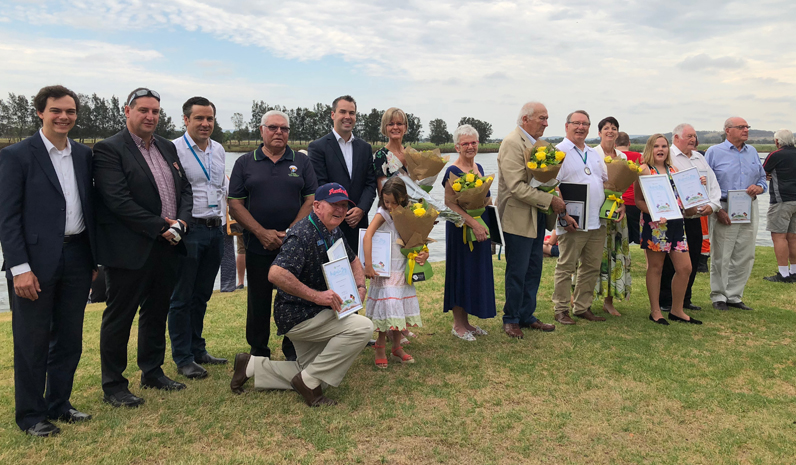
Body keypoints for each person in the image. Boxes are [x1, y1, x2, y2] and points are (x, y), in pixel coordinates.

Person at [0, 85, 96, 436]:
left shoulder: (85, 155)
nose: (64, 117)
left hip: (77, 255)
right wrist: (19, 269)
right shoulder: (17, 155)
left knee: (69, 338)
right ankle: (30, 415)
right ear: (40, 113)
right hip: (34, 263)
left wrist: (94, 261)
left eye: (70, 111)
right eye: (56, 110)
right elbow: (7, 218)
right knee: (32, 340)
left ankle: (60, 403)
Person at [230, 183, 373, 406]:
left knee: (314, 373)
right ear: (316, 206)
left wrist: (360, 287)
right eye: (334, 204)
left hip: (318, 312)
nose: (340, 210)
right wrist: (318, 296)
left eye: (344, 205)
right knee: (362, 327)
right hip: (298, 315)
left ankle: (251, 366)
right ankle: (307, 383)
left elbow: (354, 259)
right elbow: (276, 274)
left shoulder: (334, 229)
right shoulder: (302, 234)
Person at [94, 87, 193, 407]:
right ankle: (114, 385)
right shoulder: (109, 149)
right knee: (119, 317)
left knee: (156, 311)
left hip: (168, 246)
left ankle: (152, 370)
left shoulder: (166, 146)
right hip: (129, 249)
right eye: (144, 110)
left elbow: (185, 190)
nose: (150, 116)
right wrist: (162, 227)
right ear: (127, 111)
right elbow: (117, 201)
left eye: (155, 111)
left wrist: (181, 221)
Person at [229, 110, 317, 361]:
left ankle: (294, 348)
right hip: (258, 245)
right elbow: (235, 204)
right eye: (273, 128)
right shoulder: (245, 162)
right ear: (262, 130)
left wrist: (291, 233)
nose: (279, 132)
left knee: (295, 298)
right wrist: (261, 232)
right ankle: (258, 351)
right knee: (258, 299)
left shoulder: (301, 162)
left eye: (284, 129)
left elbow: (311, 199)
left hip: (295, 245)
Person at [167, 97, 228, 381]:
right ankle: (183, 357)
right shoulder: (173, 150)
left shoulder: (218, 150)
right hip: (189, 230)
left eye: (210, 119)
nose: (205, 124)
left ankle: (198, 348)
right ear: (186, 120)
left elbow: (221, 189)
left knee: (202, 294)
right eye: (199, 118)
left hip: (216, 229)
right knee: (182, 296)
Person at [496, 102, 563, 338]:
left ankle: (526, 315)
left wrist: (552, 193)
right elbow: (516, 187)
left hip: (536, 216)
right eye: (542, 118)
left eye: (546, 119)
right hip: (517, 216)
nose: (546, 123)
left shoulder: (538, 145)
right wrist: (550, 201)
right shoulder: (512, 143)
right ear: (525, 119)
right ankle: (511, 318)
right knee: (518, 270)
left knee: (534, 269)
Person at [552, 110, 621, 325]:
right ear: (567, 126)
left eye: (585, 124)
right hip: (572, 220)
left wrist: (616, 204)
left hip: (596, 220)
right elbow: (551, 186)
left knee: (591, 266)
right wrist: (563, 214)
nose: (581, 127)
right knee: (567, 266)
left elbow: (605, 182)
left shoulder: (592, 153)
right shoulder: (558, 152)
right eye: (576, 123)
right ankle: (561, 309)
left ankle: (582, 307)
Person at [634, 134, 700, 325]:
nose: (660, 149)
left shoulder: (675, 169)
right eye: (656, 146)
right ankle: (655, 311)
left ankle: (677, 309)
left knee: (685, 267)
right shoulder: (644, 170)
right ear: (649, 149)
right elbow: (638, 200)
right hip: (656, 225)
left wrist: (696, 193)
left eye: (663, 146)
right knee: (656, 268)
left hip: (677, 224)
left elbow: (685, 199)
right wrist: (654, 213)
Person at [705, 117, 767, 311]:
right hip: (723, 207)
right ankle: (719, 295)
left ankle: (734, 295)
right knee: (722, 253)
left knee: (745, 253)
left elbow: (763, 178)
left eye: (747, 127)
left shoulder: (753, 152)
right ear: (728, 130)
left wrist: (759, 187)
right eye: (741, 127)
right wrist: (718, 209)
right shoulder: (714, 152)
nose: (746, 130)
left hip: (749, 206)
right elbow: (705, 184)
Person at [363, 177, 427, 365]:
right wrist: (368, 264)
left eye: (393, 202)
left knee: (399, 308)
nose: (390, 205)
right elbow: (368, 235)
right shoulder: (382, 213)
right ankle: (380, 347)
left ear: (403, 198)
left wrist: (423, 254)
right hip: (386, 270)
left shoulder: (409, 213)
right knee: (387, 307)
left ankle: (397, 347)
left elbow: (417, 240)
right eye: (386, 201)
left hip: (403, 268)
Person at [442, 124, 496, 341]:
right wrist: (473, 223)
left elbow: (484, 198)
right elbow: (449, 204)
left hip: (480, 228)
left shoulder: (479, 168)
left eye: (474, 142)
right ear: (457, 146)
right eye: (466, 143)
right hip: (460, 230)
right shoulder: (452, 171)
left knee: (474, 274)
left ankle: (467, 322)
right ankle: (458, 324)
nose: (470, 146)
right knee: (460, 273)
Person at [658, 124, 721, 311]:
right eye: (689, 136)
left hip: (696, 218)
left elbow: (713, 185)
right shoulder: (667, 156)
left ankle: (685, 298)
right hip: (676, 218)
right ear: (676, 138)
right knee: (671, 262)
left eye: (694, 136)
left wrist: (713, 205)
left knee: (692, 258)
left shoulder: (699, 158)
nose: (693, 139)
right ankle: (666, 300)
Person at [308, 95, 377, 254]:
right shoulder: (318, 147)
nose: (347, 117)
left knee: (358, 274)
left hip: (358, 223)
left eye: (352, 113)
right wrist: (341, 211)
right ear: (333, 115)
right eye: (343, 112)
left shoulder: (365, 148)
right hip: (330, 224)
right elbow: (320, 185)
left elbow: (370, 183)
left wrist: (361, 209)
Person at [593, 117, 632, 316]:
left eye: (614, 128)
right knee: (593, 255)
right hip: (596, 212)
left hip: (616, 212)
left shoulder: (623, 158)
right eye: (606, 128)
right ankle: (582, 297)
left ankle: (609, 301)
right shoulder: (592, 154)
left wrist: (623, 204)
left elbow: (622, 186)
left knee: (614, 255)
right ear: (599, 132)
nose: (610, 131)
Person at [762, 129, 796, 282]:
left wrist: (767, 176)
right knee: (793, 237)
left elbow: (762, 172)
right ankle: (794, 271)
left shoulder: (775, 155)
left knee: (778, 236)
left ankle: (783, 273)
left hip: (781, 199)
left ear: (777, 141)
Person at [372, 107, 410, 191]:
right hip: (391, 204)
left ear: (405, 127)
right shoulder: (380, 156)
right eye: (391, 124)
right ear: (385, 127)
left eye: (399, 124)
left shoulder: (412, 153)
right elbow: (382, 192)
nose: (395, 127)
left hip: (417, 203)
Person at [615, 132, 642, 244]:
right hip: (636, 201)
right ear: (629, 143)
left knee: (622, 235)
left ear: (615, 144)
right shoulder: (639, 157)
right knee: (638, 235)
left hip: (620, 201)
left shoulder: (614, 157)